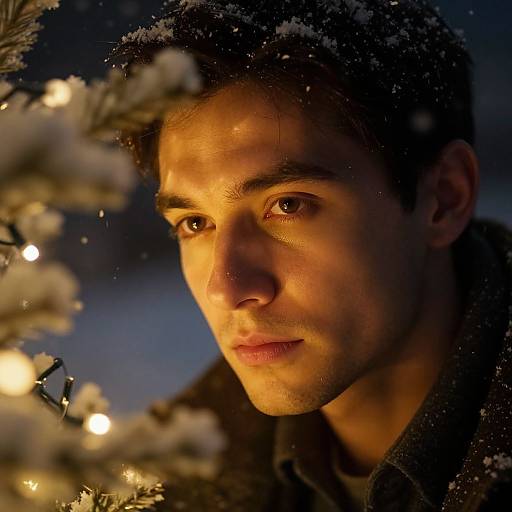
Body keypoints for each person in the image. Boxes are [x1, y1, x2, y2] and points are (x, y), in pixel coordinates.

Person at [113, 1, 512, 510]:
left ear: (445, 198)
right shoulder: (151, 490)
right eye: (195, 223)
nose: (227, 287)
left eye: (288, 205)